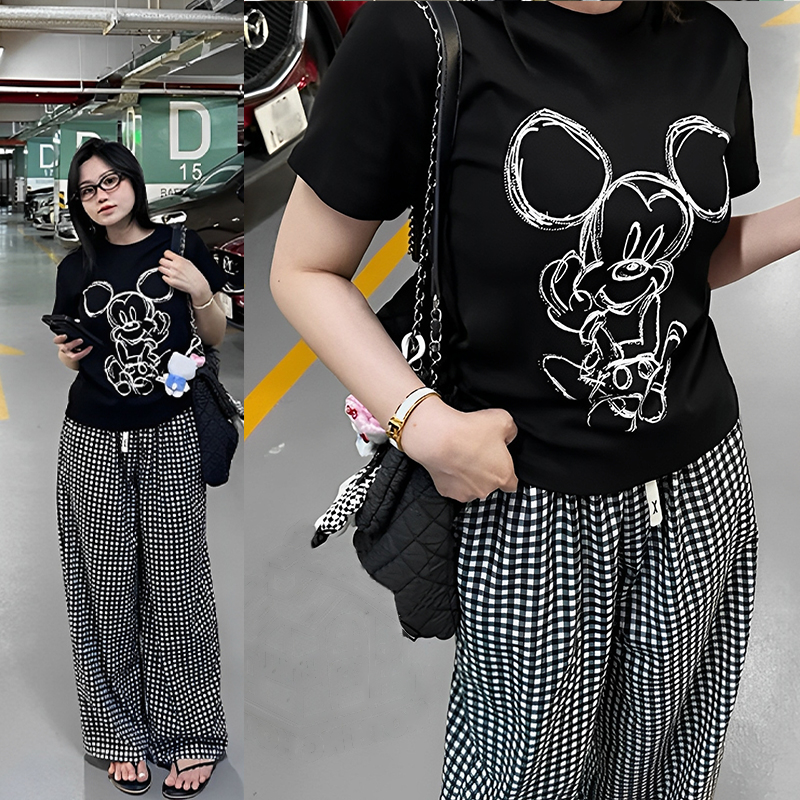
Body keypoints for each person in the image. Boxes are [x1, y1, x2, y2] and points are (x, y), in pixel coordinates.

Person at [270, 1, 800, 798]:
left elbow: (693, 259)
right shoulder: (421, 33)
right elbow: (305, 268)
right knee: (525, 771)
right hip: (529, 504)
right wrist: (422, 424)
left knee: (670, 749)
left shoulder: (708, 40)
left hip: (702, 488)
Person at [52, 137, 229, 798]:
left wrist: (200, 289)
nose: (101, 195)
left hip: (169, 434)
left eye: (110, 181)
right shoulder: (75, 267)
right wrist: (68, 355)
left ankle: (191, 733)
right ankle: (117, 730)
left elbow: (214, 336)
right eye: (88, 189)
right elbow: (73, 348)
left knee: (179, 587)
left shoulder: (182, 247)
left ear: (133, 181)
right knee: (104, 587)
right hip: (92, 438)